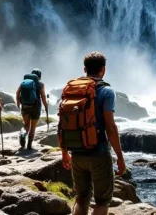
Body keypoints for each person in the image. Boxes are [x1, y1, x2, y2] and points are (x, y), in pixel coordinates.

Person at [61, 52, 126, 215]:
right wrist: (120, 156)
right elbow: (110, 126)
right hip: (98, 152)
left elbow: (63, 123)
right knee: (102, 201)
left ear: (85, 69)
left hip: (76, 151)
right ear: (103, 70)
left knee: (81, 198)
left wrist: (64, 152)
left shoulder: (71, 90)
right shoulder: (106, 91)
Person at [15, 68, 49, 150]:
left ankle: (23, 134)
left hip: (25, 106)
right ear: (39, 77)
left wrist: (18, 103)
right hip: (36, 107)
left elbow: (17, 93)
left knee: (26, 125)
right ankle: (29, 144)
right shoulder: (41, 84)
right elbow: (43, 97)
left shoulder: (23, 83)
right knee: (33, 127)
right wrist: (46, 107)